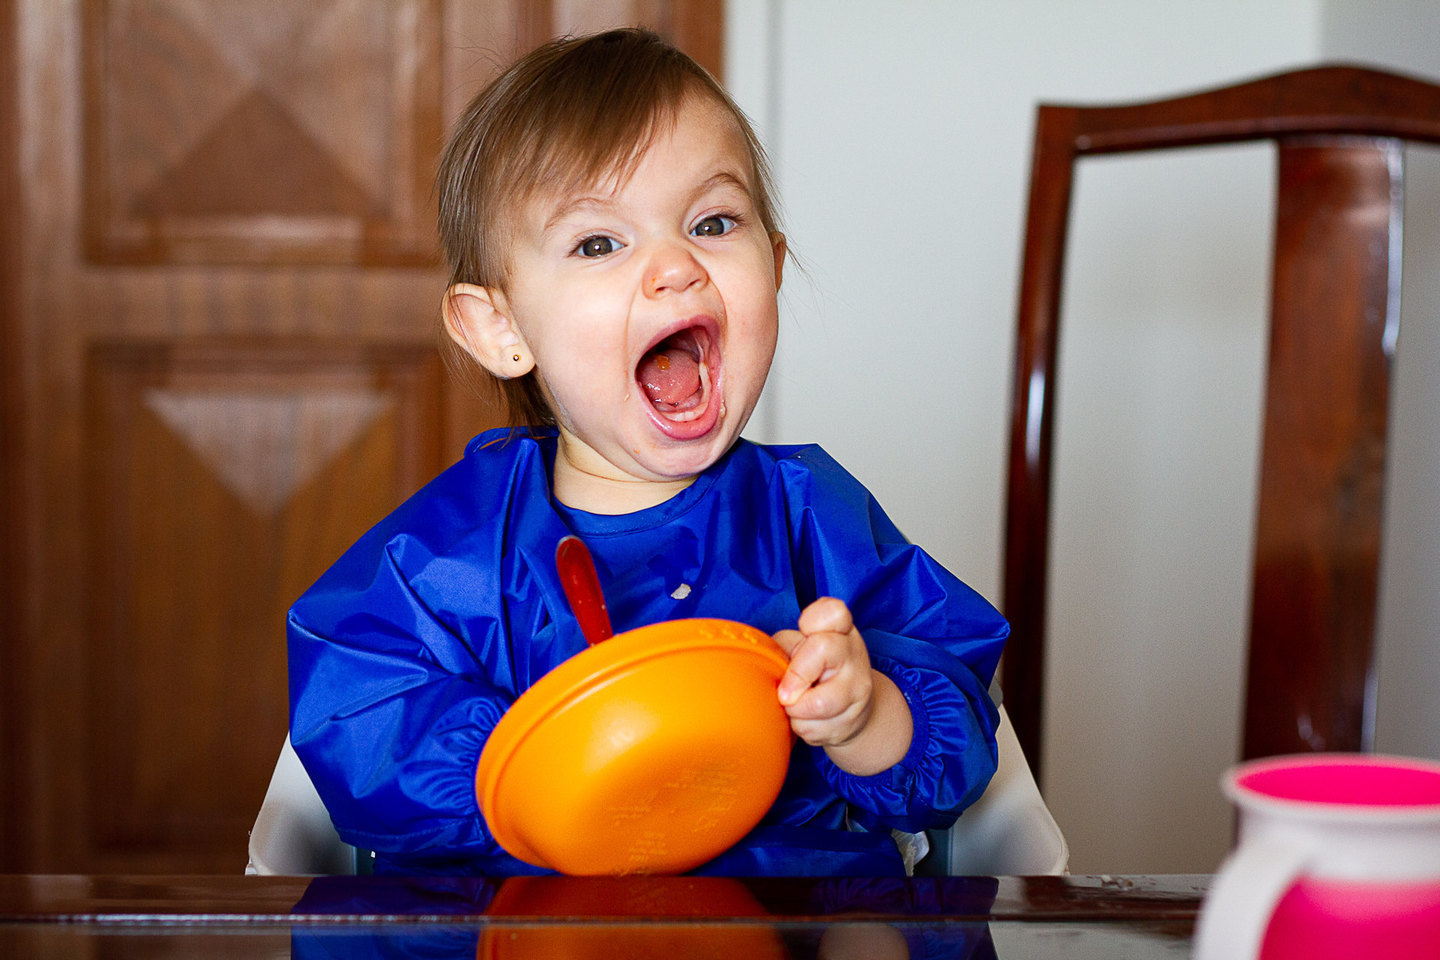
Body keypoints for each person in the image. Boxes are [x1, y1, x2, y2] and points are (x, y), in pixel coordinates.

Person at [287, 27, 1007, 877]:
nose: (674, 268)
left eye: (712, 222)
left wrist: (866, 715)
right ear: (502, 327)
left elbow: (957, 732)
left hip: (787, 917)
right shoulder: (454, 550)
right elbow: (355, 710)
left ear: (772, 271)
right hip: (524, 925)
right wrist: (533, 767)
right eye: (600, 243)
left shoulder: (810, 515)